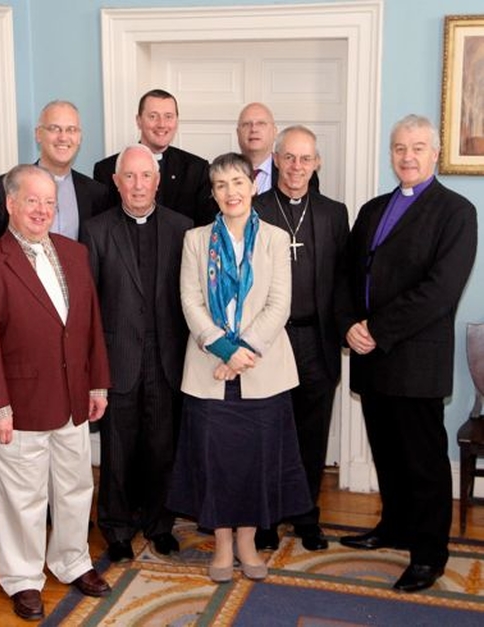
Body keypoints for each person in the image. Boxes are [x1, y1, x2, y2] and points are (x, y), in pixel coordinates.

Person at [0, 164, 112, 620]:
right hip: (17, 407)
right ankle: (23, 578)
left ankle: (71, 561)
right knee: (21, 500)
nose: (42, 210)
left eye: (50, 202)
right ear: (11, 204)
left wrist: (98, 380)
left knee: (75, 487)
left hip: (71, 399)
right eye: (32, 200)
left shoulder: (74, 253)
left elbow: (90, 325)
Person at [338, 114, 477, 593]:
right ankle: (393, 526)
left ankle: (429, 554)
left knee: (423, 460)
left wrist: (376, 329)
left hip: (416, 358)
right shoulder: (373, 209)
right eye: (399, 147)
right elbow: (348, 277)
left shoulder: (456, 212)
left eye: (418, 147)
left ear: (435, 153)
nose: (408, 156)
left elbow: (439, 292)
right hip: (371, 355)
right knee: (387, 451)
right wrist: (350, 326)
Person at [167, 152, 312, 583]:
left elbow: (278, 303)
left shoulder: (274, 236)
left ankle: (247, 541)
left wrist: (242, 351)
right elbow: (190, 301)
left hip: (262, 371)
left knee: (256, 463)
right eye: (221, 185)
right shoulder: (195, 240)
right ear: (212, 193)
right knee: (216, 463)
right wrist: (224, 349)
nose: (231, 192)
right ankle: (223, 544)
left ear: (253, 186)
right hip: (209, 368)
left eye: (237, 182)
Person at [81, 144, 193, 563]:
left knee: (163, 447)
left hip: (168, 357)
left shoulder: (183, 228)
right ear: (116, 181)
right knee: (119, 451)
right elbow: (89, 304)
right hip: (119, 359)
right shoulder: (96, 230)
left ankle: (159, 524)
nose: (138, 185)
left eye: (145, 176)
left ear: (158, 181)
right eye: (129, 176)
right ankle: (117, 529)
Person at [253, 125, 349, 552]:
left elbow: (344, 281)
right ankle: (266, 517)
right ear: (275, 159)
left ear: (317, 163)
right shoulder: (254, 209)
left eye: (305, 158)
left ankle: (307, 515)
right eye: (288, 157)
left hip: (317, 340)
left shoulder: (333, 213)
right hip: (271, 341)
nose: (296, 167)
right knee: (270, 431)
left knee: (312, 434)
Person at [0, 100, 108, 253]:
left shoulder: (97, 194)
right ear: (38, 134)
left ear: (79, 137)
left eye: (71, 130)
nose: (63, 137)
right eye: (54, 128)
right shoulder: (3, 187)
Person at [93, 88, 215, 225]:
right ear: (139, 121)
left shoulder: (196, 169)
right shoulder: (106, 169)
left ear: (176, 121)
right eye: (153, 116)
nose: (161, 124)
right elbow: (103, 227)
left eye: (168, 116)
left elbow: (204, 228)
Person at [237, 102, 319, 194]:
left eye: (261, 123)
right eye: (246, 124)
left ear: (275, 132)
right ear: (238, 133)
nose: (253, 129)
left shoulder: (300, 172)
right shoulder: (222, 173)